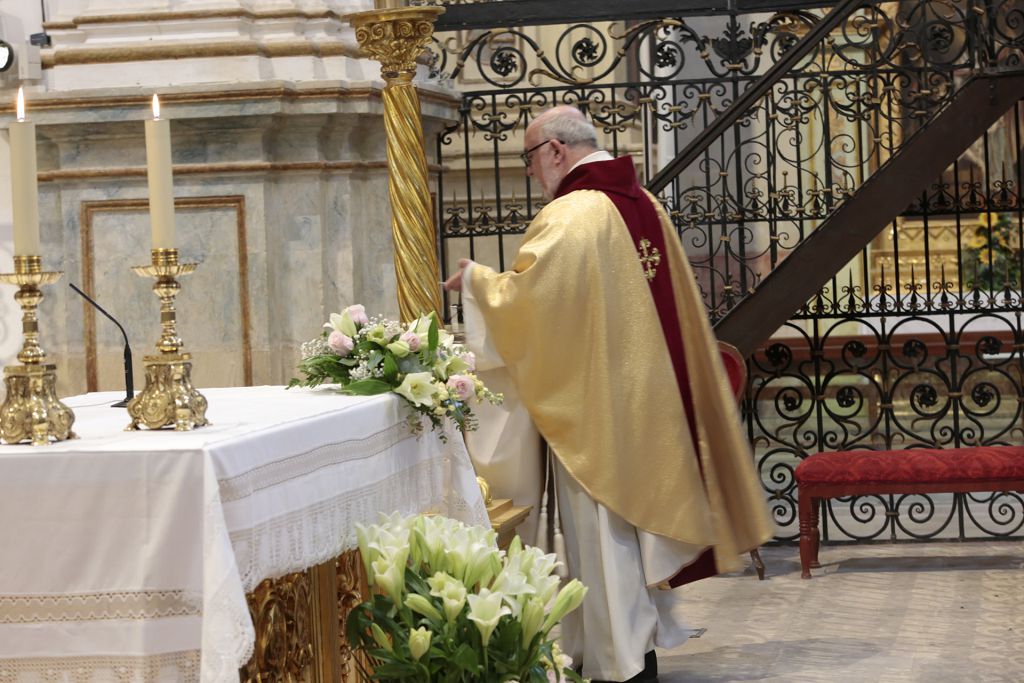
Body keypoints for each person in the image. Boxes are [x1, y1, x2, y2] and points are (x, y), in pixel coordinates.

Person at [444, 105, 772, 683]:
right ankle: (633, 650)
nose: (529, 173)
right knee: (636, 541)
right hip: (654, 406)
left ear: (554, 151)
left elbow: (529, 303)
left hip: (598, 414)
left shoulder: (573, 215)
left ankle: (620, 664)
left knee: (606, 542)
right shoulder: (644, 205)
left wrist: (475, 279)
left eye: (528, 159)